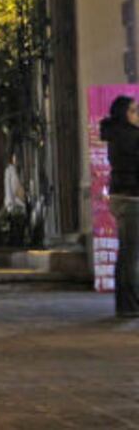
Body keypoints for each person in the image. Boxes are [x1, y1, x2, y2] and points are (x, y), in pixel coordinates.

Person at [101, 96, 139, 318]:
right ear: (124, 113)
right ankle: (129, 304)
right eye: (134, 110)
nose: (137, 115)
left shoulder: (116, 135)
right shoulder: (131, 137)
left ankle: (127, 302)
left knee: (127, 252)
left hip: (119, 195)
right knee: (131, 255)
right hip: (132, 197)